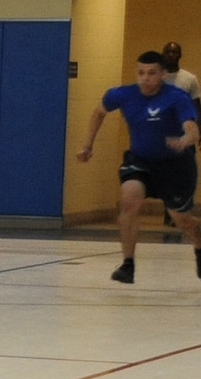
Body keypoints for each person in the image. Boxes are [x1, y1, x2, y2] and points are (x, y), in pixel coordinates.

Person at [76, 50, 201, 283]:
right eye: (141, 72)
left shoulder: (176, 97)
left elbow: (191, 127)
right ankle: (128, 264)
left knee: (181, 219)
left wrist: (186, 139)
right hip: (141, 160)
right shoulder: (122, 94)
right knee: (129, 198)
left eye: (152, 73)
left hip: (175, 165)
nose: (145, 78)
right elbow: (99, 113)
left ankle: (199, 244)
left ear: (163, 74)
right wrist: (88, 145)